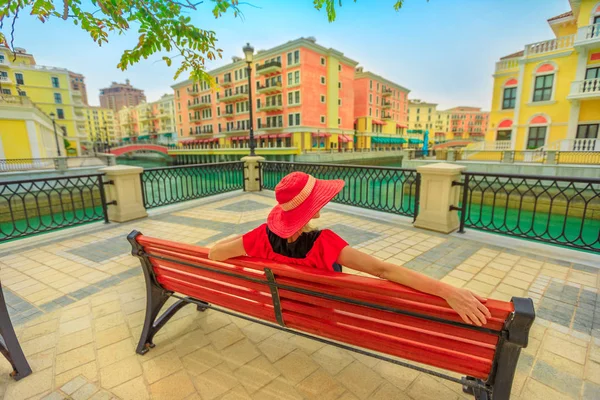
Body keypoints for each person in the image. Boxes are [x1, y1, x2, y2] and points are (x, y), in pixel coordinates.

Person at [209, 172, 491, 326]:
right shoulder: (325, 244)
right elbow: (384, 270)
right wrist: (448, 291)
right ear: (314, 211)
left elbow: (214, 254)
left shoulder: (258, 237)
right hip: (322, 315)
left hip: (277, 308)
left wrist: (239, 238)